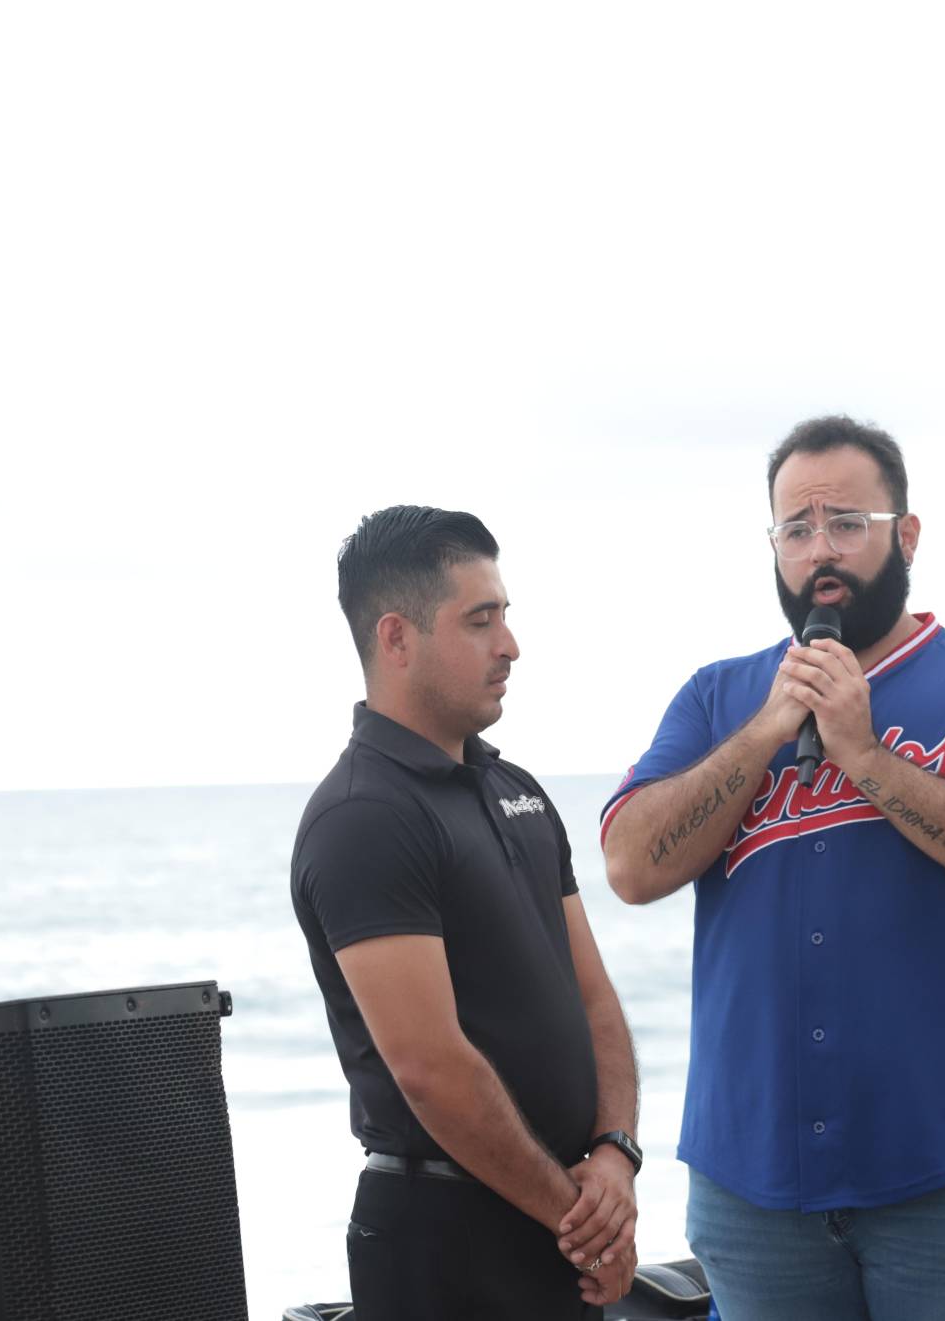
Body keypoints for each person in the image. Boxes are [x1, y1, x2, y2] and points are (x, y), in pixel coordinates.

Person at [600, 416, 945, 1320]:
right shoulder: (720, 695)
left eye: (847, 522)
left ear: (906, 535)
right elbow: (630, 862)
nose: (821, 549)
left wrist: (864, 757)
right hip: (751, 1178)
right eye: (796, 528)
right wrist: (766, 731)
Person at [291, 506, 642, 1319]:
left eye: (506, 616)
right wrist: (582, 1221)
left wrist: (615, 1154)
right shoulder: (363, 817)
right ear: (397, 638)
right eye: (480, 620)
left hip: (558, 1221)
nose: (510, 645)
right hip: (443, 1239)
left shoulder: (515, 789)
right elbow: (431, 1068)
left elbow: (593, 999)